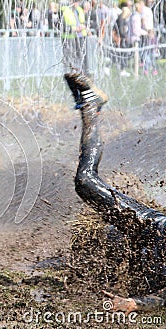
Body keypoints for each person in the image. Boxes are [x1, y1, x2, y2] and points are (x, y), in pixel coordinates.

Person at [64, 71, 166, 313]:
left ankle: (91, 103)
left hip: (145, 250)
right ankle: (90, 106)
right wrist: (136, 304)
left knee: (110, 240)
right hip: (148, 226)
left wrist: (133, 304)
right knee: (85, 181)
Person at [59, 0, 89, 73]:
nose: (77, 3)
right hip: (69, 38)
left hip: (81, 37)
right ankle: (70, 74)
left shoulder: (79, 10)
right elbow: (60, 25)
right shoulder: (64, 10)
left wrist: (84, 26)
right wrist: (73, 29)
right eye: (75, 1)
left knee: (82, 57)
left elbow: (85, 21)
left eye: (78, 1)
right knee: (70, 58)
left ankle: (84, 73)